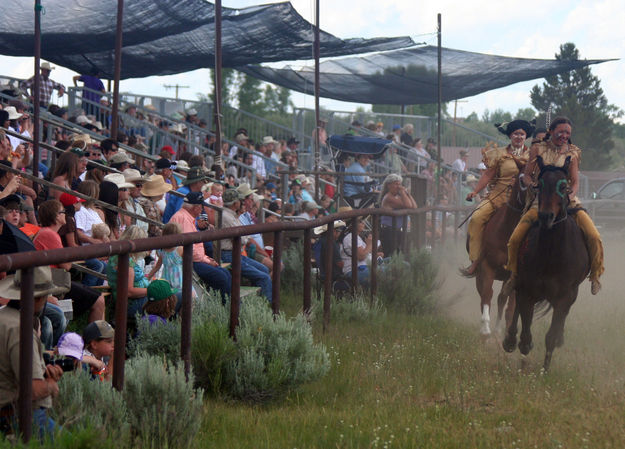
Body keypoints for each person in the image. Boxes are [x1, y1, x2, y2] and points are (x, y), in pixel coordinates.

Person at [505, 116, 604, 295]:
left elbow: (574, 182)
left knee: (594, 236)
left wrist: (569, 196)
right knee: (514, 239)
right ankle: (513, 276)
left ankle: (595, 275)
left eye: (568, 133)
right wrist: (532, 185)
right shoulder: (537, 149)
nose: (564, 135)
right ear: (551, 132)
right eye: (561, 132)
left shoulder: (572, 153)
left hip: (567, 201)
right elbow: (527, 175)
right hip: (540, 201)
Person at [0, 266, 69, 440]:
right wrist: (51, 385)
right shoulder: (21, 330)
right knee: (73, 441)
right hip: (19, 417)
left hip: (8, 414)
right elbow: (32, 390)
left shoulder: (5, 318)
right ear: (39, 298)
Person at [460, 119, 534, 277]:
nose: (519, 137)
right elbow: (488, 174)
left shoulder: (533, 155)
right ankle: (475, 260)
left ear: (526, 136)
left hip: (524, 199)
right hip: (497, 196)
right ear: (510, 135)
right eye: (515, 133)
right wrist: (476, 191)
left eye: (522, 134)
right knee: (476, 218)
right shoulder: (498, 153)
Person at [33, 200, 106, 323]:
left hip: (53, 279)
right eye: (63, 212)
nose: (65, 214)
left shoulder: (46, 233)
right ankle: (95, 339)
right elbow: (66, 266)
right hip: (52, 281)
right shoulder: (50, 234)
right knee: (99, 300)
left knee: (98, 297)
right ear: (56, 216)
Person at [169, 192, 231, 302]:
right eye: (201, 206)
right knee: (222, 277)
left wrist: (205, 259)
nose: (202, 209)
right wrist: (206, 260)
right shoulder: (184, 219)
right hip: (187, 262)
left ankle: (228, 307)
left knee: (224, 273)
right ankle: (226, 309)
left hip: (191, 260)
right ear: (196, 208)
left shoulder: (185, 217)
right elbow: (190, 251)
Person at [219, 189, 273, 303]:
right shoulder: (227, 216)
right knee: (264, 277)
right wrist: (244, 237)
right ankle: (266, 308)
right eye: (239, 200)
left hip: (234, 253)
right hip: (228, 255)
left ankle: (256, 304)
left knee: (263, 269)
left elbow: (243, 236)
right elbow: (242, 238)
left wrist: (244, 237)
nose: (241, 202)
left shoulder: (231, 215)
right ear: (235, 203)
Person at [379, 174, 417, 256]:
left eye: (400, 184)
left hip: (397, 230)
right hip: (389, 231)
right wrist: (403, 192)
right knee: (391, 255)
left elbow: (414, 207)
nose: (399, 187)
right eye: (396, 184)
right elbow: (408, 206)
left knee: (400, 255)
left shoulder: (397, 196)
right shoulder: (388, 197)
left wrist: (408, 194)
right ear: (389, 185)